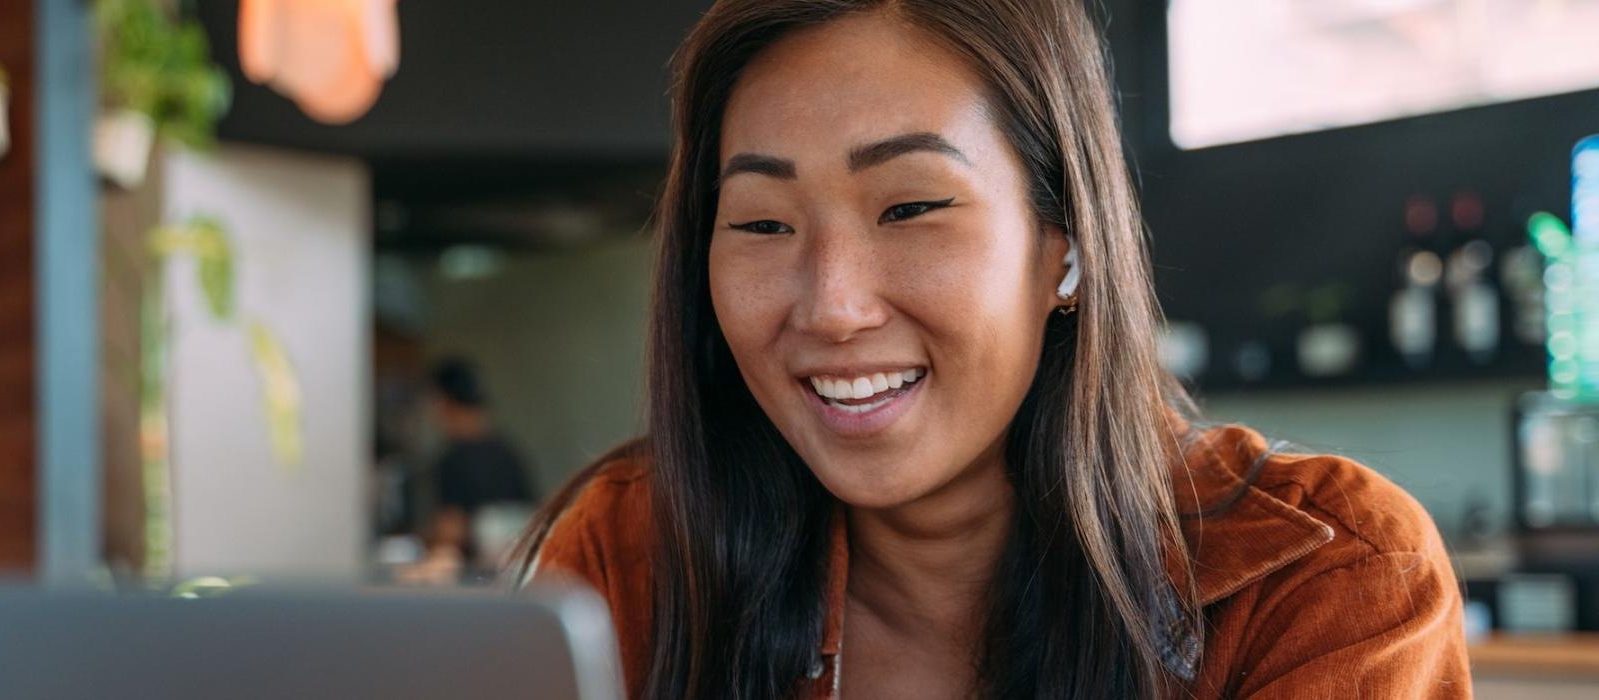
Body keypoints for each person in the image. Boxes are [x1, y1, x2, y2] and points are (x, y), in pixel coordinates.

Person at [515, 1, 1470, 698]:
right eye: (763, 224)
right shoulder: (630, 556)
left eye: (913, 207)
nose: (833, 307)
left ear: (1066, 244)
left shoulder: (1324, 580)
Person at [416, 358, 534, 579]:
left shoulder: (454, 458)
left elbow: (451, 531)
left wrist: (423, 540)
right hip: (516, 580)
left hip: (476, 581)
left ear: (442, 401)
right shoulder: (509, 453)